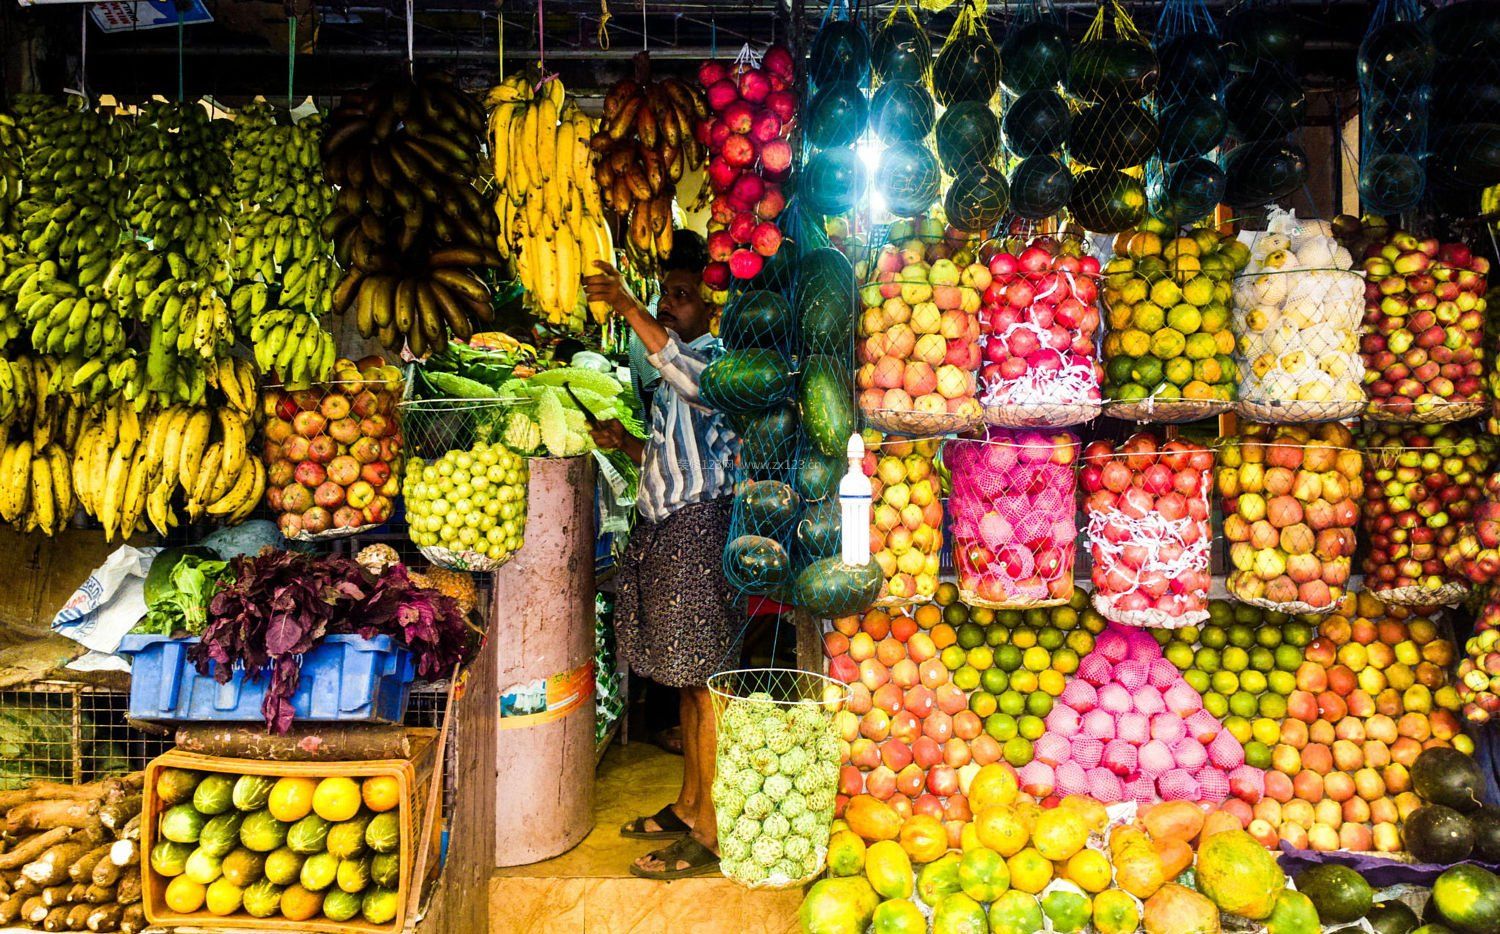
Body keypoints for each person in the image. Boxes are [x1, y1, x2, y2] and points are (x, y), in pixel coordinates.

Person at [583, 231, 739, 879]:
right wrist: (624, 441)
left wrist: (625, 305)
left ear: (711, 309)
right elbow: (672, 459)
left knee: (704, 682)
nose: (669, 303)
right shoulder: (677, 369)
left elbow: (682, 369)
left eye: (681, 295)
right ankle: (688, 802)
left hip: (699, 533)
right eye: (664, 295)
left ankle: (711, 828)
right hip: (671, 530)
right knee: (685, 681)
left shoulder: (719, 361)